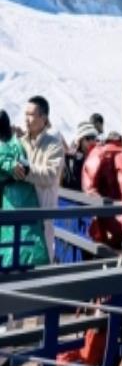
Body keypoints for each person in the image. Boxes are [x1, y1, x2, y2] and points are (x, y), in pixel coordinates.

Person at [16, 96, 64, 262]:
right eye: (25, 114)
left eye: (31, 115)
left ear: (43, 118)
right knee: (20, 259)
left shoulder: (54, 145)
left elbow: (50, 175)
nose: (26, 119)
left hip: (43, 213)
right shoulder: (19, 143)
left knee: (42, 259)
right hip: (20, 213)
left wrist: (26, 171)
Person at [0, 110, 49, 268]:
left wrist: (11, 166)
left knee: (16, 240)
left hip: (13, 200)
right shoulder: (18, 143)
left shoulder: (7, 145)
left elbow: (7, 162)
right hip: (24, 197)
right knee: (27, 237)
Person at [61, 122, 98, 191]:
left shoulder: (97, 159)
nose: (92, 141)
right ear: (80, 141)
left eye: (93, 138)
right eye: (88, 138)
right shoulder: (70, 158)